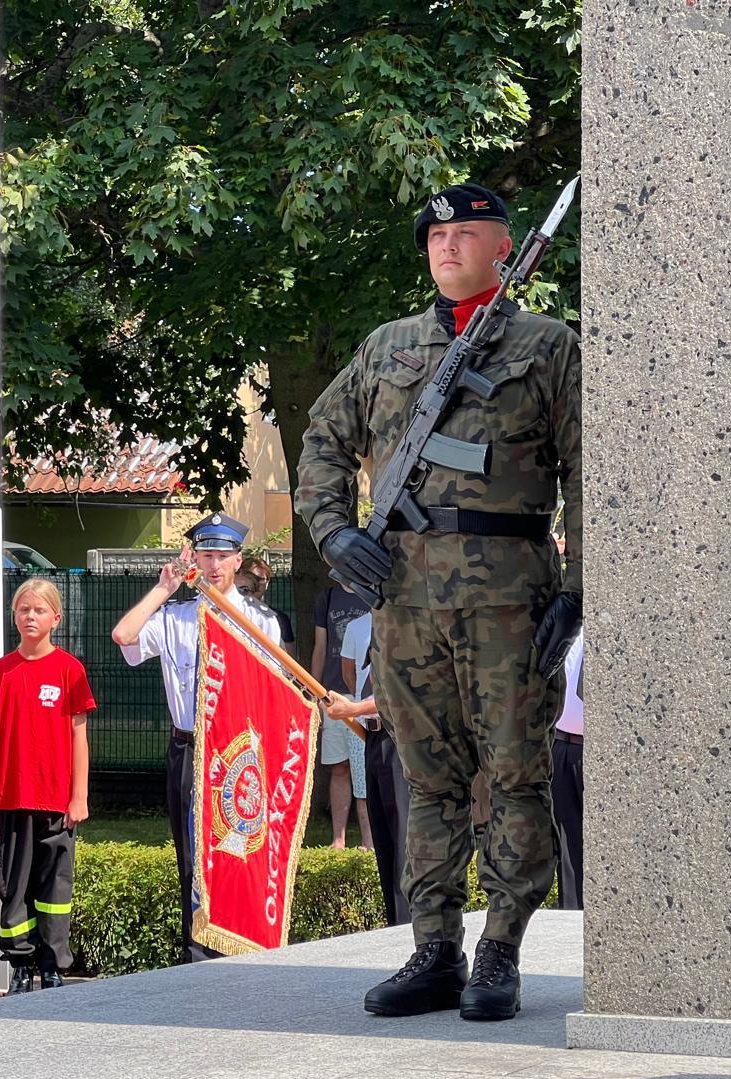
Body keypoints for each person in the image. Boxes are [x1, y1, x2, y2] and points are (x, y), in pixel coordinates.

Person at [295, 182, 582, 1021]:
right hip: (405, 593)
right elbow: (323, 441)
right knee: (426, 780)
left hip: (506, 594)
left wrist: (579, 588)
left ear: (504, 247)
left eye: (465, 234)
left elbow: (589, 466)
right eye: (435, 236)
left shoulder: (547, 345)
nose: (447, 247)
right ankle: (433, 948)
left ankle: (501, 948)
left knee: (517, 774)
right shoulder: (388, 347)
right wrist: (333, 531)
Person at [111, 513, 283, 962]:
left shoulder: (262, 622)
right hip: (190, 748)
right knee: (192, 855)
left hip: (240, 753)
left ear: (237, 560)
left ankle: (242, 945)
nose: (213, 565)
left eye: (222, 556)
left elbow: (275, 693)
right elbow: (124, 636)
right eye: (206, 555)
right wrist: (163, 587)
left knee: (241, 852)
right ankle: (197, 953)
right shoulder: (175, 618)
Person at [0, 578, 96, 993]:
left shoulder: (70, 670)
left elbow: (79, 735)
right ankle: (21, 965)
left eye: (39, 610)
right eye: (24, 610)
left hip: (57, 800)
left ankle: (53, 965)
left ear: (56, 618)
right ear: (14, 616)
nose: (31, 616)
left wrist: (78, 795)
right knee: (14, 888)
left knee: (54, 888)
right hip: (11, 798)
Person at [326, 610, 409, 925]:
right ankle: (394, 925)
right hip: (374, 738)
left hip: (399, 739)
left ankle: (408, 928)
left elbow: (401, 691)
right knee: (384, 840)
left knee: (402, 838)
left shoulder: (408, 624)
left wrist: (354, 708)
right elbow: (355, 677)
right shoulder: (369, 624)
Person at [310, 584, 371, 850]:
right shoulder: (328, 595)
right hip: (332, 694)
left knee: (365, 770)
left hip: (363, 697)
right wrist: (315, 688)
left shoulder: (372, 592)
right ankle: (338, 838)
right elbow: (321, 646)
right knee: (339, 766)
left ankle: (369, 840)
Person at [551, 630, 585, 910]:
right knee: (567, 851)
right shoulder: (569, 628)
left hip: (595, 751)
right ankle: (571, 920)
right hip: (562, 744)